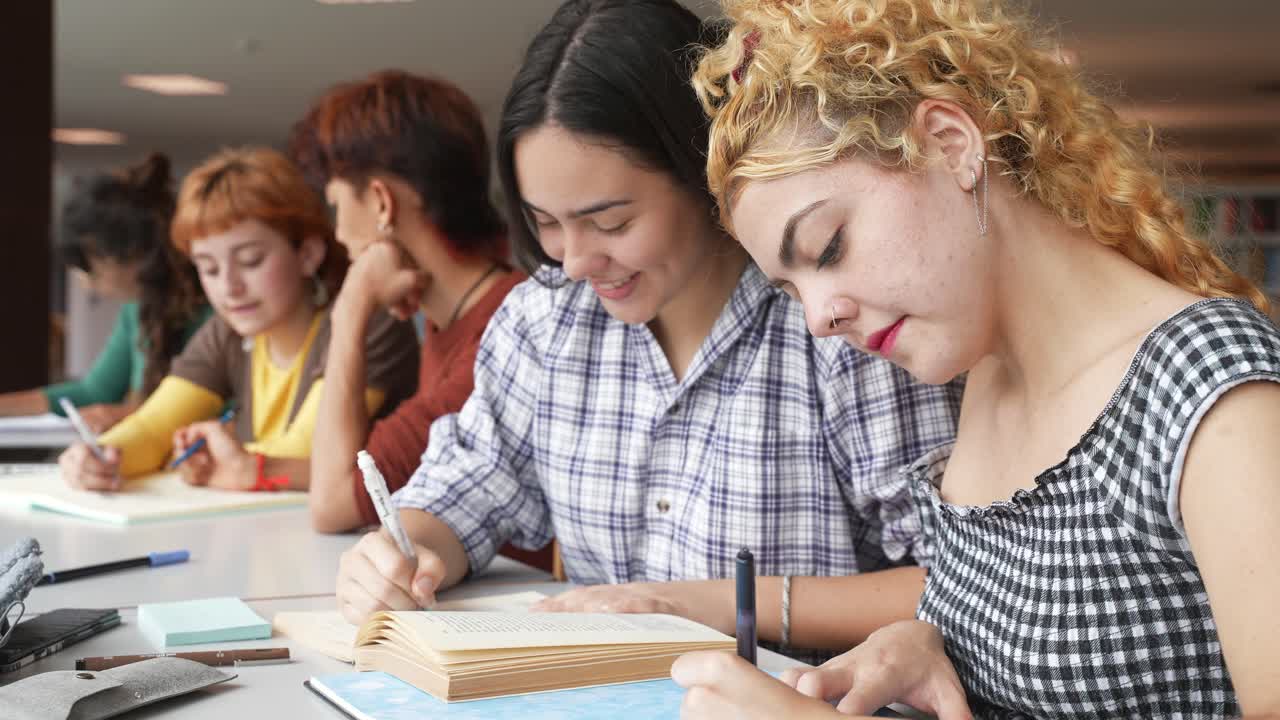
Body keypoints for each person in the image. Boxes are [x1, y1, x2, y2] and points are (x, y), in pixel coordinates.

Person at [672, 0, 1280, 717]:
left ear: (952, 144)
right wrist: (925, 642)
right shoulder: (987, 372)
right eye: (791, 289)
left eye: (828, 247)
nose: (819, 318)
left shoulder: (1212, 389)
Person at [334, 0, 961, 662]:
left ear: (704, 171)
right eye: (545, 222)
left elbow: (957, 583)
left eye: (610, 223)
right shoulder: (545, 322)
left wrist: (707, 605)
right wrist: (401, 553)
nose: (575, 262)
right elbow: (471, 485)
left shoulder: (841, 325)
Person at [58, 147, 419, 493]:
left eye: (250, 261)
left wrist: (231, 462)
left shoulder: (368, 322)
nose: (229, 287)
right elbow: (153, 427)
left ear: (308, 253)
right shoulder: (226, 331)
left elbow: (308, 451)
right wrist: (100, 456)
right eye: (209, 268)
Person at [288, 70, 531, 543]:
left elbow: (333, 503)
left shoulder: (503, 331)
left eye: (338, 204)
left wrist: (351, 307)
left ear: (382, 203)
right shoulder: (450, 318)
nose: (338, 233)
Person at [0, 153, 209, 432]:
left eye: (91, 269)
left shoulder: (213, 309)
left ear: (131, 255)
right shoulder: (136, 310)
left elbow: (225, 408)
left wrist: (129, 415)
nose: (87, 283)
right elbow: (95, 391)